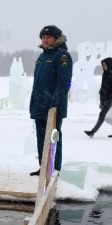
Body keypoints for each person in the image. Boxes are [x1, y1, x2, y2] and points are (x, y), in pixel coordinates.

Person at [29, 25, 73, 175]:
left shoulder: (62, 56)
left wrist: (54, 103)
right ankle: (44, 167)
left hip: (53, 107)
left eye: (48, 37)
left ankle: (54, 168)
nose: (45, 40)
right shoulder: (43, 57)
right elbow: (38, 84)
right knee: (41, 138)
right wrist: (33, 102)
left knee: (53, 137)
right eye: (43, 37)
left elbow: (64, 83)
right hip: (40, 105)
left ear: (56, 39)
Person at [84, 56, 112, 138]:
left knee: (102, 114)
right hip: (104, 97)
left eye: (105, 64)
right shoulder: (105, 73)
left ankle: (93, 132)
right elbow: (103, 85)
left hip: (110, 98)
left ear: (110, 64)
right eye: (103, 64)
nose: (104, 66)